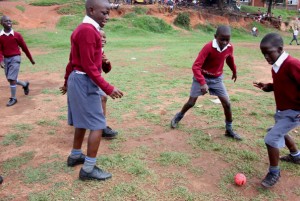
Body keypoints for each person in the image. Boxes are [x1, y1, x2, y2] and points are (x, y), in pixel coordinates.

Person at [62, 0, 123, 181]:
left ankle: (75, 155)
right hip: (84, 80)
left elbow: (73, 59)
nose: (107, 17)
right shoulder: (88, 31)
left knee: (81, 122)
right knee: (97, 125)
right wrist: (108, 88)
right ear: (91, 10)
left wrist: (67, 81)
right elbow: (89, 67)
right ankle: (88, 169)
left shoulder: (83, 29)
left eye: (108, 13)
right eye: (104, 13)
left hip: (78, 78)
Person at [170, 25, 242, 141]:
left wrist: (234, 70)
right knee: (191, 102)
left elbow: (229, 58)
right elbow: (196, 67)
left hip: (217, 79)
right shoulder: (208, 47)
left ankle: (229, 130)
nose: (224, 42)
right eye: (222, 39)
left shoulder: (229, 47)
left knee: (227, 104)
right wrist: (202, 82)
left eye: (227, 39)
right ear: (215, 37)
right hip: (202, 77)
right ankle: (178, 117)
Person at [254, 33, 300, 188]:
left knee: (271, 138)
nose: (266, 57)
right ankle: (296, 156)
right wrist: (269, 86)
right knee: (278, 131)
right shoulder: (276, 66)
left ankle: (274, 172)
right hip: (282, 110)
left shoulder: (292, 64)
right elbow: (284, 84)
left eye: (269, 53)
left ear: (280, 49)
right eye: (263, 54)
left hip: (294, 112)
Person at [0, 15, 35, 107]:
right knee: (10, 79)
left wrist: (30, 58)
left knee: (12, 79)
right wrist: (1, 61)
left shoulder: (17, 35)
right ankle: (25, 84)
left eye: (10, 21)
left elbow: (24, 48)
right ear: (1, 23)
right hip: (6, 59)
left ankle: (13, 98)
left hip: (16, 58)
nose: (9, 22)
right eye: (6, 21)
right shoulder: (0, 36)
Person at [99, 29, 119, 138]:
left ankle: (101, 126)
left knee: (102, 97)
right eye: (100, 37)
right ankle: (101, 127)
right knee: (102, 97)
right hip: (85, 79)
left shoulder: (100, 51)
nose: (103, 39)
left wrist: (106, 62)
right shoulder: (91, 50)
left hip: (94, 79)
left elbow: (106, 70)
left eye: (104, 37)